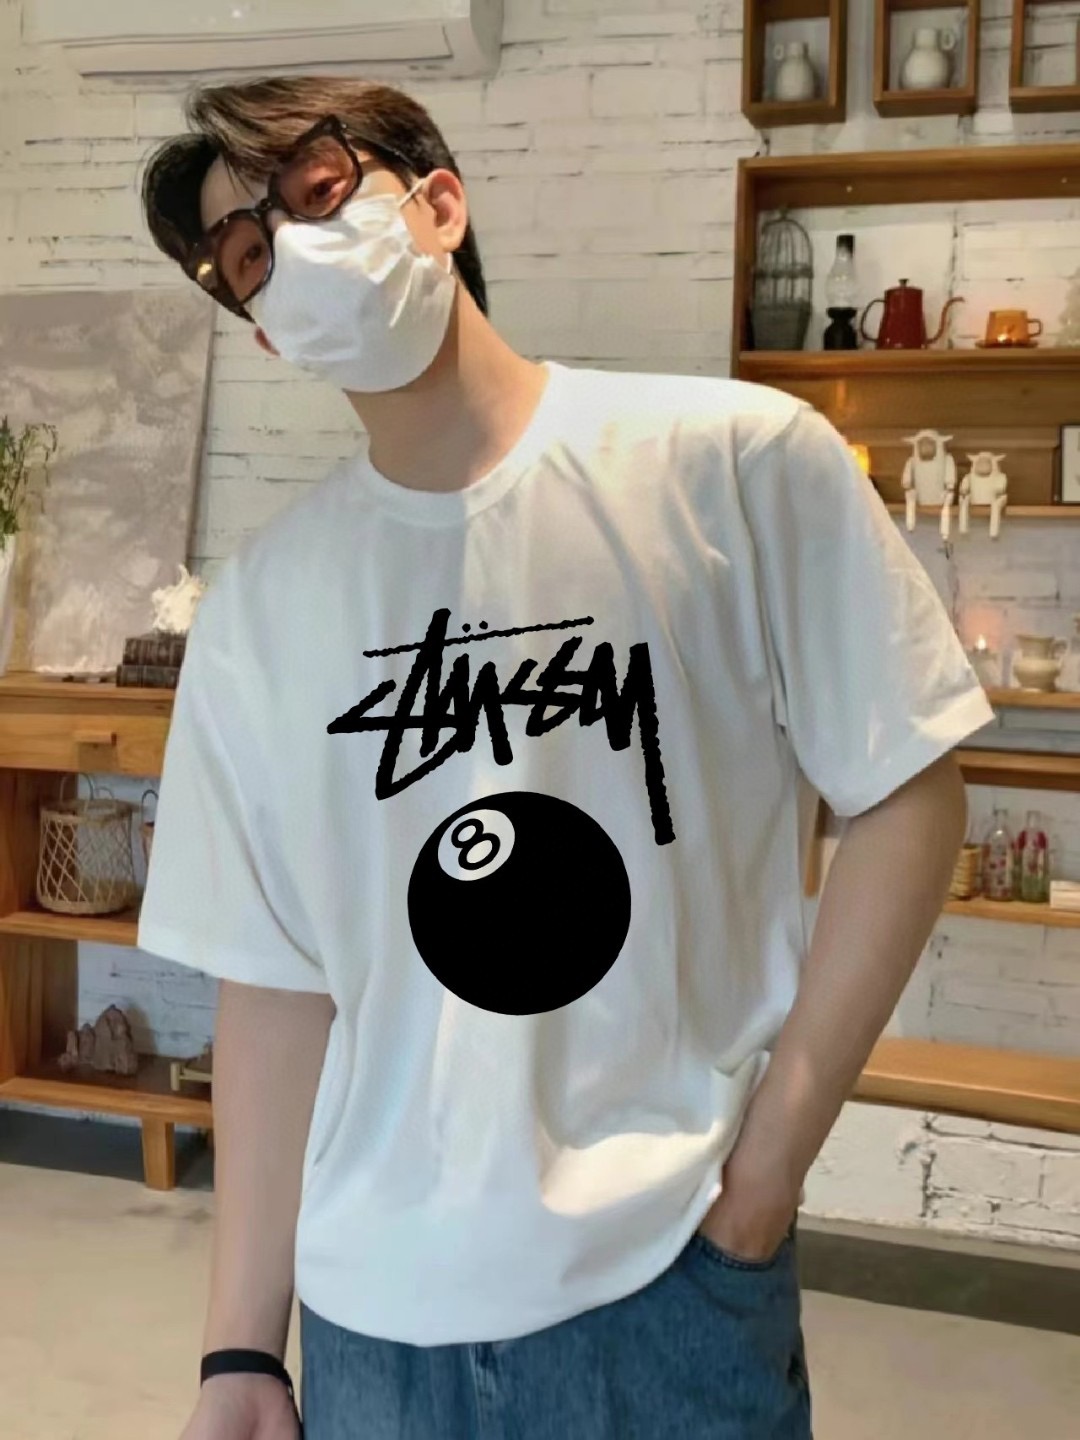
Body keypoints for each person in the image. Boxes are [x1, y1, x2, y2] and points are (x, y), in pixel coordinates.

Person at [136, 75, 993, 1440]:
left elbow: (908, 788)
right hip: (372, 1326)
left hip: (670, 1286)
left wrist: (768, 1172)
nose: (290, 251)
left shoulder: (734, 464)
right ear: (264, 331)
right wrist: (239, 1348)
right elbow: (276, 987)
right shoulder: (261, 609)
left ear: (438, 203)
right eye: (247, 256)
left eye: (315, 194)